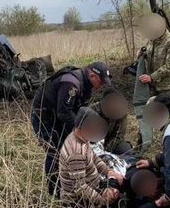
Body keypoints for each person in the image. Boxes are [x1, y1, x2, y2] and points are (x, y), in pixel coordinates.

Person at [31, 62, 112, 196]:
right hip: (45, 119)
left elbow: (78, 109)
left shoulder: (86, 84)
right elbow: (63, 112)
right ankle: (54, 190)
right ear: (92, 75)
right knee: (54, 152)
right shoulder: (71, 83)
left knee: (66, 148)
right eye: (101, 82)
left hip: (58, 118)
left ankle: (68, 183)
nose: (102, 85)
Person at [59, 107, 125, 208]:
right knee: (121, 202)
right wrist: (102, 199)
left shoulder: (83, 138)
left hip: (94, 185)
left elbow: (94, 157)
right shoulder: (76, 153)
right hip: (79, 200)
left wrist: (109, 172)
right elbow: (80, 188)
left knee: (122, 185)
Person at [137, 13, 170, 102]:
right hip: (153, 87)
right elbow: (153, 54)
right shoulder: (152, 40)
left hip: (168, 88)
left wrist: (152, 77)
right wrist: (143, 54)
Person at [90, 87, 133, 157]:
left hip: (110, 142)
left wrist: (106, 150)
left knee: (125, 150)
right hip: (92, 142)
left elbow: (118, 136)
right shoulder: (93, 110)